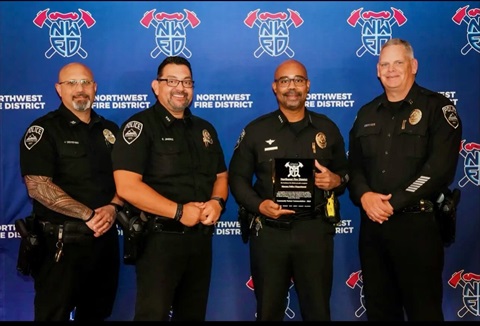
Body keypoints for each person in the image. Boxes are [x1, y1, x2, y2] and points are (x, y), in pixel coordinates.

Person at [347, 38, 462, 321]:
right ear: (377, 70)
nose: (391, 70)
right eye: (385, 64)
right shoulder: (366, 113)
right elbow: (354, 167)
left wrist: (393, 202)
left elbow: (438, 170)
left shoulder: (438, 108)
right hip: (374, 228)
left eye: (398, 62)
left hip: (418, 226)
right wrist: (365, 196)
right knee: (380, 311)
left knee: (424, 311)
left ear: (414, 66)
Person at [228, 59, 349, 321]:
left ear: (308, 86)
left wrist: (336, 181)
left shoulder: (327, 129)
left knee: (318, 311)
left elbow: (346, 172)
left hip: (314, 231)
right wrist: (259, 205)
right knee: (268, 311)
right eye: (284, 81)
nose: (291, 87)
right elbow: (237, 178)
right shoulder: (256, 131)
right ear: (274, 87)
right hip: (270, 234)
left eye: (298, 80)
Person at [111, 56, 228, 321]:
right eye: (172, 81)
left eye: (187, 82)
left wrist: (217, 202)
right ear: (156, 86)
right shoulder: (139, 127)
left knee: (193, 314)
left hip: (200, 240)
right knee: (153, 315)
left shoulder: (204, 129)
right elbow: (127, 186)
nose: (180, 88)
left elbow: (221, 175)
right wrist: (177, 212)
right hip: (159, 241)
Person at [19, 62, 122, 321]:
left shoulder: (110, 131)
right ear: (59, 89)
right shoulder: (43, 130)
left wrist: (113, 207)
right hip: (60, 246)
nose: (80, 89)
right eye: (72, 83)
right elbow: (38, 186)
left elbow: (128, 181)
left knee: (98, 314)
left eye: (86, 82)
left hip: (104, 242)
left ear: (95, 88)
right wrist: (88, 215)